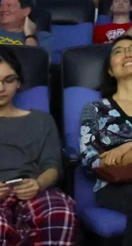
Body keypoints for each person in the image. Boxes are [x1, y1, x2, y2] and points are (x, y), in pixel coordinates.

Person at [0, 49, 79, 245]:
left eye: (9, 80)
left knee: (59, 213)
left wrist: (39, 184)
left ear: (18, 83)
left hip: (33, 189)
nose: (1, 87)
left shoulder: (41, 120)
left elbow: (52, 165)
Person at [78, 36, 132, 244]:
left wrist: (131, 149)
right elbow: (88, 159)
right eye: (118, 51)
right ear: (110, 70)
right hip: (116, 185)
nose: (127, 53)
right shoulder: (95, 109)